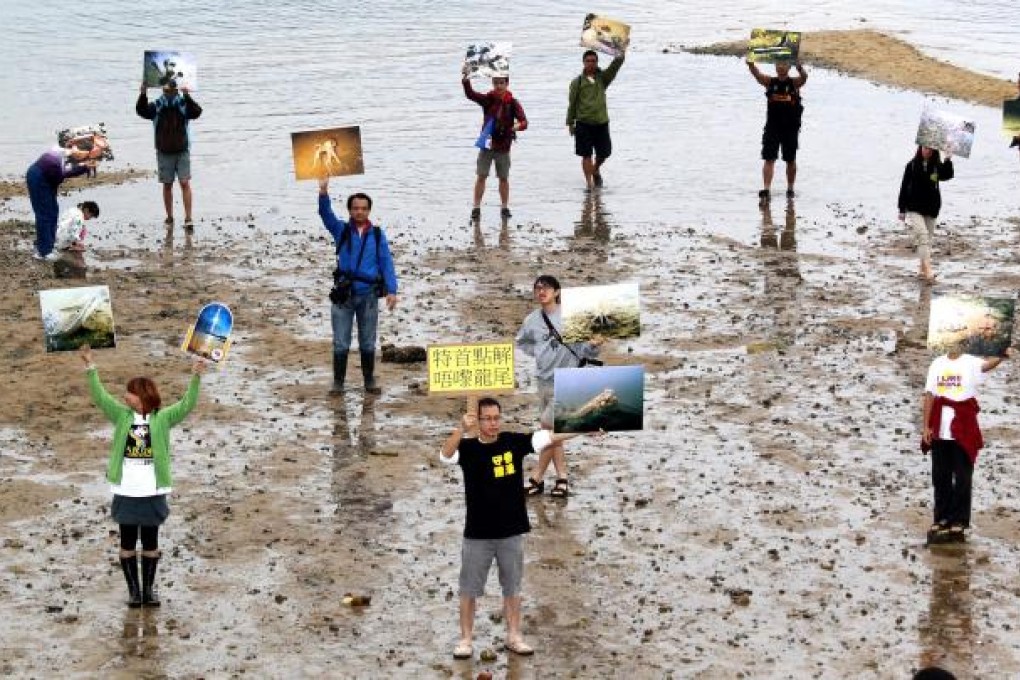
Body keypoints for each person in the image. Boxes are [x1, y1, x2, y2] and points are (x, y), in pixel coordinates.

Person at [439, 397, 595, 659]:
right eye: (487, 418)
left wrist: (584, 429)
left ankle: (514, 635)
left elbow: (551, 436)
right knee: (469, 589)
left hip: (511, 530)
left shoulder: (512, 442)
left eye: (496, 418)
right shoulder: (467, 449)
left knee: (512, 587)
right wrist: (460, 430)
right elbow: (444, 456)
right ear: (477, 420)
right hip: (477, 533)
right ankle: (465, 639)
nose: (493, 423)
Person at [80, 344, 206, 607]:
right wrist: (90, 366)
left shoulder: (162, 418)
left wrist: (196, 376)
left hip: (152, 492)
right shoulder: (121, 415)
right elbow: (100, 397)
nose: (125, 397)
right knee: (127, 543)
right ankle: (134, 593)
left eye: (130, 393)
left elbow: (187, 404)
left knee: (150, 543)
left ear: (143, 396)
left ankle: (148, 591)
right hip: (126, 491)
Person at [515, 275, 603, 498]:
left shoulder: (571, 316)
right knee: (554, 432)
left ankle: (536, 477)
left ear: (556, 292)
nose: (541, 291)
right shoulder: (532, 320)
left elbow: (586, 350)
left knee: (547, 427)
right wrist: (537, 352)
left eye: (546, 288)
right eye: (537, 288)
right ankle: (562, 478)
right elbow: (522, 342)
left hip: (568, 380)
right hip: (543, 380)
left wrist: (593, 346)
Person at [318, 176, 399, 395]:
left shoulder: (377, 234)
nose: (359, 212)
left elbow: (386, 262)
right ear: (350, 211)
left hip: (369, 296)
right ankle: (338, 383)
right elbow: (325, 216)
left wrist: (392, 290)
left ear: (369, 211)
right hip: (343, 295)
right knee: (341, 342)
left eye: (363, 208)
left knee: (367, 342)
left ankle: (369, 381)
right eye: (355, 208)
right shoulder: (341, 230)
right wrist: (323, 191)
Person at [920, 344, 1010, 541]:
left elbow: (987, 366)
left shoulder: (970, 361)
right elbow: (929, 396)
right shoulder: (937, 364)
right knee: (940, 476)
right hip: (940, 428)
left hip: (963, 428)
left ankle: (959, 521)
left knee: (962, 477)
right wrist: (926, 426)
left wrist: (1003, 354)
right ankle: (941, 518)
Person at [136, 79, 202, 232]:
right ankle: (170, 217)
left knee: (184, 183)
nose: (168, 93)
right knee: (167, 185)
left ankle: (188, 217)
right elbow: (141, 111)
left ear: (176, 91)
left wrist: (187, 95)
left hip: (182, 150)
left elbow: (197, 112)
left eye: (170, 91)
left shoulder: (183, 104)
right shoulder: (157, 106)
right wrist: (143, 93)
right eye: (165, 91)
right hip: (164, 151)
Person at [461, 68, 527, 220]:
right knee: (481, 176)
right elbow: (470, 94)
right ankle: (476, 207)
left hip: (504, 146)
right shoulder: (487, 100)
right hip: (487, 144)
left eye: (501, 83)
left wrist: (515, 126)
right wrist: (466, 79)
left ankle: (504, 207)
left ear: (507, 84)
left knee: (503, 178)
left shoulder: (513, 103)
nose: (498, 86)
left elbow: (524, 122)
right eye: (496, 83)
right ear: (492, 83)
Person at [25, 142, 101, 261]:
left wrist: (85, 166)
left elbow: (69, 168)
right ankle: (44, 253)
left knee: (53, 212)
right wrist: (85, 167)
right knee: (45, 215)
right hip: (39, 179)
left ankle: (47, 246)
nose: (83, 157)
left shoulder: (62, 152)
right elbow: (64, 174)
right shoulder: (57, 161)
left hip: (45, 178)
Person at [746, 59, 807, 201]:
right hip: (772, 127)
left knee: (790, 159)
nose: (781, 66)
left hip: (790, 128)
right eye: (778, 64)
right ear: (775, 66)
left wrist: (800, 68)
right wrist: (751, 65)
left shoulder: (794, 83)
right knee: (769, 158)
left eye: (784, 64)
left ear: (789, 66)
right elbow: (757, 75)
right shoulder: (770, 82)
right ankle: (766, 189)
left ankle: (790, 188)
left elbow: (804, 78)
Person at [566, 49, 625, 190]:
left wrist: (621, 52)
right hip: (583, 124)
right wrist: (570, 122)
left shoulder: (602, 78)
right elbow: (572, 103)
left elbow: (615, 66)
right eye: (588, 61)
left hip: (601, 123)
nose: (591, 63)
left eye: (593, 61)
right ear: (583, 63)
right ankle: (589, 184)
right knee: (586, 155)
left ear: (597, 62)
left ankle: (595, 169)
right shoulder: (577, 82)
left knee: (604, 153)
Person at [898, 146, 953, 281]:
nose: (926, 151)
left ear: (934, 151)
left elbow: (947, 175)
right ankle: (928, 270)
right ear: (920, 148)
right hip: (914, 207)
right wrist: (901, 209)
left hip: (931, 208)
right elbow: (904, 187)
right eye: (924, 148)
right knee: (922, 237)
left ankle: (922, 267)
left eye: (929, 149)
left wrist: (948, 158)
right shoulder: (911, 165)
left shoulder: (936, 166)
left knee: (928, 240)